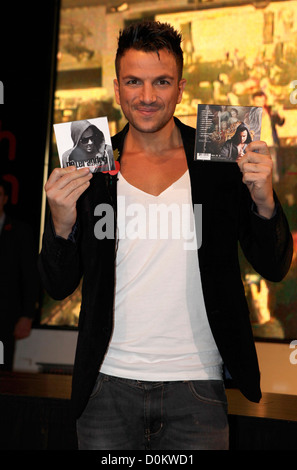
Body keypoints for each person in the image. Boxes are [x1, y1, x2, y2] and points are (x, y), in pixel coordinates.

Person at [38, 21, 293, 450]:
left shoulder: (219, 161)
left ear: (180, 89)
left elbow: (274, 264)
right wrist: (61, 226)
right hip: (107, 385)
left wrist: (265, 200)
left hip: (197, 388)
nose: (148, 96)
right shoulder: (92, 166)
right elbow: (58, 284)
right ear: (118, 89)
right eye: (134, 82)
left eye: (162, 82)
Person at [0, 178, 38, 371]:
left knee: (1, 371)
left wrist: (27, 315)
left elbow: (30, 276)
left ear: (5, 198)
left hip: (5, 317)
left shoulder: (19, 231)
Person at [252, 91, 285, 182]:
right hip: (257, 144)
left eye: (262, 101)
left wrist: (281, 115)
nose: (261, 103)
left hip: (270, 142)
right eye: (258, 101)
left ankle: (276, 183)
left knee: (273, 164)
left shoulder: (270, 110)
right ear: (253, 102)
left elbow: (280, 122)